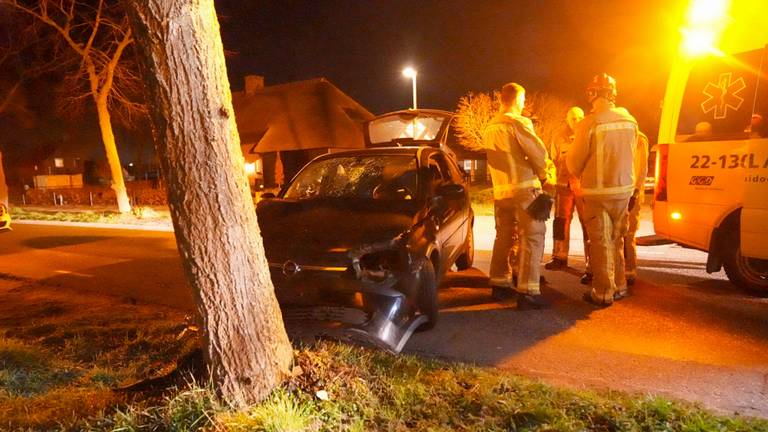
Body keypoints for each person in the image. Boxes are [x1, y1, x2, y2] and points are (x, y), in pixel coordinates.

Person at [566, 73, 639, 306]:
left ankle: (603, 292)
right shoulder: (630, 120)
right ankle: (620, 285)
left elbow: (574, 163)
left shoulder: (590, 122)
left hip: (599, 194)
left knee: (600, 242)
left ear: (593, 94)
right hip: (623, 191)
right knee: (617, 240)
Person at [482, 82, 554, 309]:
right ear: (517, 100)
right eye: (523, 100)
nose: (524, 105)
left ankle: (499, 283)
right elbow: (537, 153)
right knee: (533, 237)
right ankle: (528, 291)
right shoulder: (517, 123)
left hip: (501, 192)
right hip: (524, 190)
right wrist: (547, 174)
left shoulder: (490, 126)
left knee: (503, 237)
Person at [544, 107, 592, 282]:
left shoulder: (588, 134)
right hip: (564, 187)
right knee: (560, 222)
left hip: (583, 187)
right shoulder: (558, 137)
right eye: (573, 118)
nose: (576, 120)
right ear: (567, 119)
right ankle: (559, 257)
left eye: (580, 117)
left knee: (588, 224)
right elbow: (554, 159)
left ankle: (592, 265)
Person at [624, 131, 650, 286]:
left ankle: (629, 270)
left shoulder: (639, 138)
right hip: (622, 191)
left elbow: (641, 168)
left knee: (628, 233)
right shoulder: (626, 136)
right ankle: (623, 269)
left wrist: (634, 192)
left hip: (632, 192)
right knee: (621, 233)